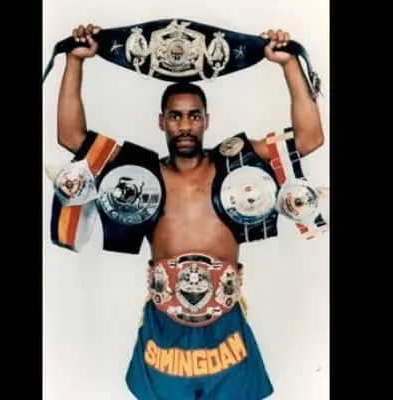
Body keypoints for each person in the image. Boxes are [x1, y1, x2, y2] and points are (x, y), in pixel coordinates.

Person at [51, 22, 325, 400]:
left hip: (226, 327)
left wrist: (289, 64)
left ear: (206, 121)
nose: (185, 125)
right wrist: (75, 61)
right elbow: (71, 138)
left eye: (194, 116)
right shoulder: (140, 173)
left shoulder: (236, 162)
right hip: (163, 329)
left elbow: (310, 138)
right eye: (175, 116)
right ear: (161, 121)